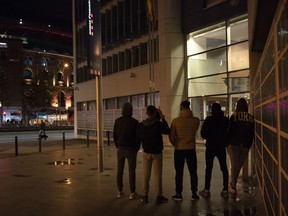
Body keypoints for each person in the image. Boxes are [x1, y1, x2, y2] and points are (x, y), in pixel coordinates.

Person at [138, 105, 170, 204]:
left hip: (146, 152)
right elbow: (167, 131)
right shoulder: (158, 124)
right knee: (157, 175)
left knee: (145, 175)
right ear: (155, 114)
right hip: (157, 153)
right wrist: (163, 119)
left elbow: (138, 137)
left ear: (147, 113)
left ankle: (145, 195)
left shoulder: (141, 125)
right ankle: (159, 196)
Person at [169, 100, 200, 201]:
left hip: (179, 149)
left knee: (179, 172)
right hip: (191, 149)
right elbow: (194, 131)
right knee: (193, 172)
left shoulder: (175, 121)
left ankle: (178, 194)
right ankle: (194, 193)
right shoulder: (196, 120)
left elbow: (171, 136)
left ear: (181, 108)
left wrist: (175, 143)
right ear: (189, 107)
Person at [199, 103, 229, 198]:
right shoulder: (225, 120)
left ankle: (207, 190)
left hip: (210, 147)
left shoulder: (209, 120)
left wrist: (210, 137)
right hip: (221, 147)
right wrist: (225, 142)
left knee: (208, 168)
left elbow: (203, 134)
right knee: (224, 168)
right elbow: (229, 133)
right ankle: (225, 190)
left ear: (212, 110)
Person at [227, 98, 254, 197]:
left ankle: (232, 186)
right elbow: (251, 133)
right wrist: (247, 143)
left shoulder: (234, 117)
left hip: (233, 144)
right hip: (246, 145)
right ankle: (232, 185)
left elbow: (230, 130)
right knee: (238, 166)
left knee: (234, 165)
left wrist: (228, 143)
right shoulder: (251, 118)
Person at [113, 102, 140, 200]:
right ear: (131, 110)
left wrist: (118, 145)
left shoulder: (117, 121)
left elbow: (114, 135)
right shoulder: (135, 122)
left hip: (120, 149)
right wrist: (136, 149)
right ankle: (132, 192)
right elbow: (138, 138)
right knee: (131, 171)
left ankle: (119, 191)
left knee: (120, 170)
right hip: (131, 149)